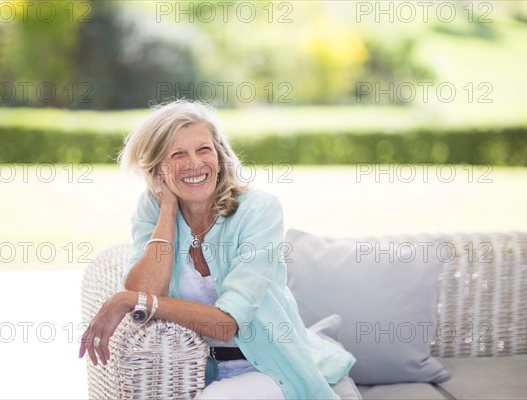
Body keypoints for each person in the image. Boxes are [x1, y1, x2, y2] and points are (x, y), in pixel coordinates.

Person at [79, 100, 355, 399]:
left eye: (203, 149)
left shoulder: (258, 211)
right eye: (177, 154)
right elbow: (146, 289)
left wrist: (127, 300)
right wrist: (169, 211)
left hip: (269, 366)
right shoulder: (153, 209)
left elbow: (225, 324)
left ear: (220, 156)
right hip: (199, 369)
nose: (195, 164)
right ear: (157, 170)